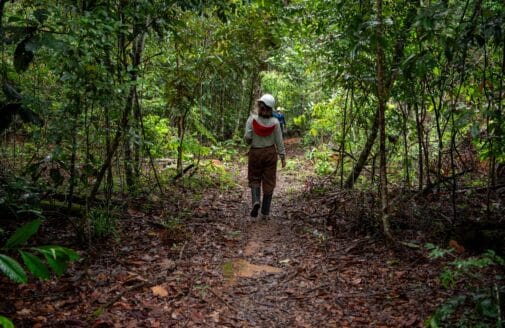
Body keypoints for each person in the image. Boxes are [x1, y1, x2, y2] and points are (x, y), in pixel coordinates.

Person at [244, 94, 286, 219]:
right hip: (270, 153)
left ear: (259, 106)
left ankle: (256, 201)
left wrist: (251, 139)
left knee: (254, 178)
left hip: (255, 153)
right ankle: (265, 212)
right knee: (269, 181)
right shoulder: (275, 122)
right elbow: (279, 141)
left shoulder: (252, 120)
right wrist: (283, 157)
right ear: (271, 109)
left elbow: (247, 138)